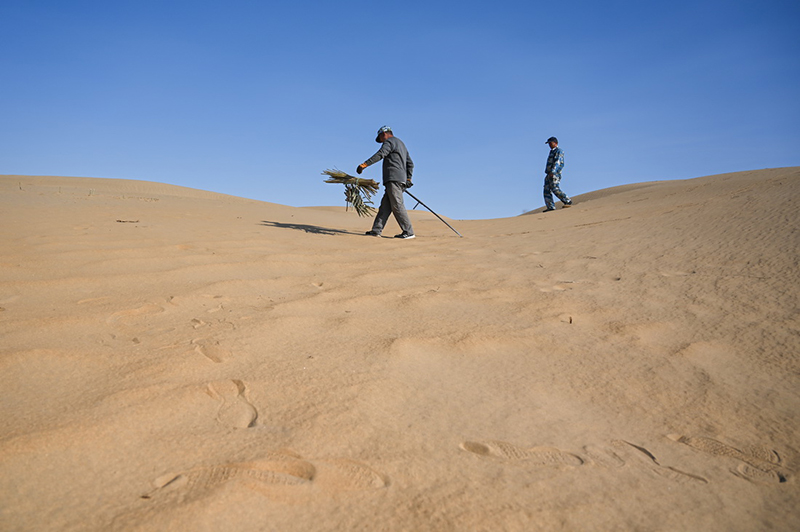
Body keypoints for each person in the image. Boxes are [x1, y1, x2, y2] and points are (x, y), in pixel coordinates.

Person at [357, 126, 416, 239]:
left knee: (397, 205)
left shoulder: (389, 142)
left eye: (380, 138)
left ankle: (409, 232)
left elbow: (381, 154)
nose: (381, 142)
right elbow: (410, 163)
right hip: (399, 180)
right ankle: (376, 230)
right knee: (385, 206)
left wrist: (364, 165)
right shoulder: (401, 144)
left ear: (383, 134)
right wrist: (408, 179)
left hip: (394, 179)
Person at [543, 136, 573, 211]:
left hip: (554, 173)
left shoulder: (559, 151)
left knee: (555, 188)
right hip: (548, 173)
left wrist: (553, 171)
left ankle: (567, 201)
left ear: (555, 143)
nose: (549, 145)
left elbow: (558, 162)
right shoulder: (551, 151)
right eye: (549, 143)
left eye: (551, 143)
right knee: (546, 190)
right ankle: (550, 207)